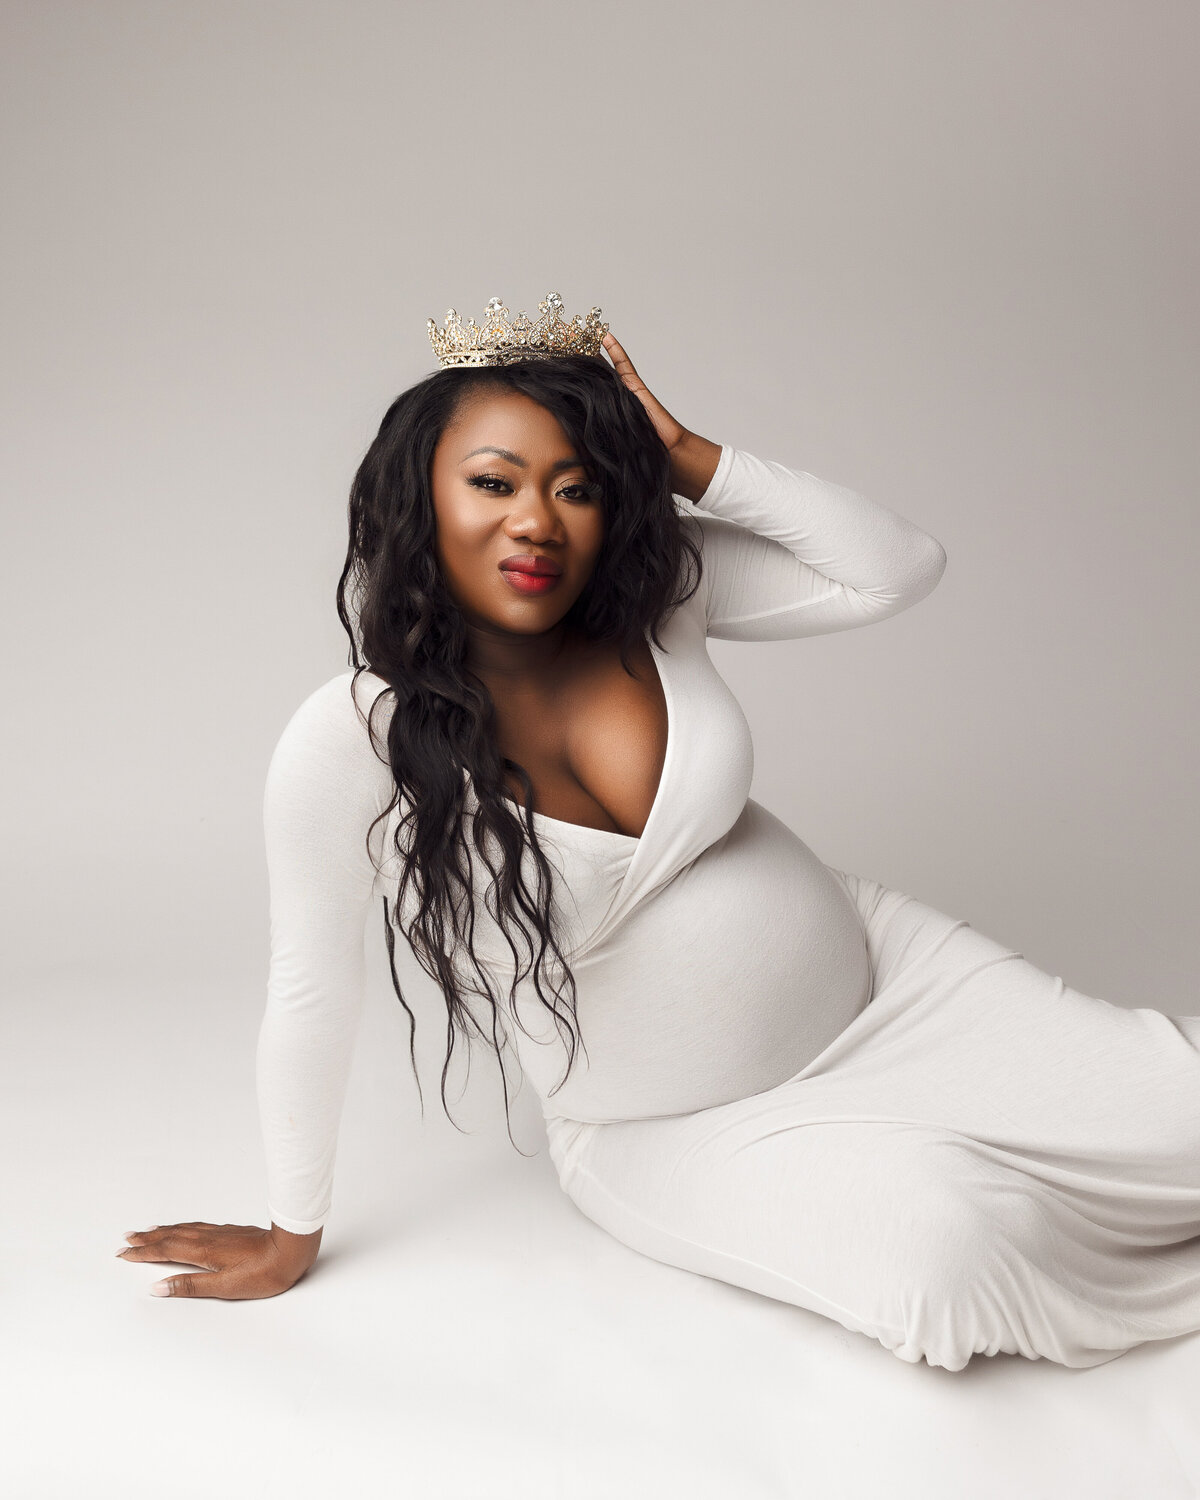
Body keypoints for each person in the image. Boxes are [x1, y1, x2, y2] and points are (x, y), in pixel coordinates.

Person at [119, 298, 1200, 1371]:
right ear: (420, 497)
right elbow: (312, 988)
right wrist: (292, 1230)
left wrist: (690, 460)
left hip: (894, 986)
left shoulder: (655, 590)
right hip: (674, 1128)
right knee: (949, 1259)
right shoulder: (352, 738)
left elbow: (896, 567)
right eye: (494, 482)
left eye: (577, 487)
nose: (537, 522)